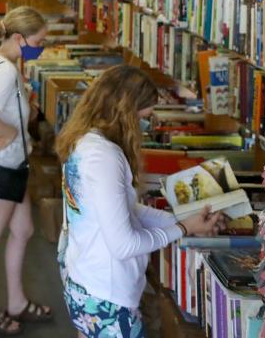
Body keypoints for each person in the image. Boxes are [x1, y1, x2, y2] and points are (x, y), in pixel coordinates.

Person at [56, 65, 226, 338]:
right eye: (143, 118)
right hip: (107, 293)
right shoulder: (106, 157)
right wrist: (181, 230)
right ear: (125, 113)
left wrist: (183, 221)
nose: (146, 126)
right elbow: (125, 245)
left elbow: (124, 210)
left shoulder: (84, 142)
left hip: (85, 279)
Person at [0, 7, 50, 335]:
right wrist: (9, 133)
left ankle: (16, 301)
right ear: (19, 38)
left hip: (14, 164)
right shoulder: (4, 70)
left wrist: (24, 111)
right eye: (38, 41)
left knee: (23, 230)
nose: (42, 46)